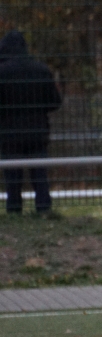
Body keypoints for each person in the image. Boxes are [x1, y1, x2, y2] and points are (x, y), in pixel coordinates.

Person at [0, 31, 62, 215]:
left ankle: (14, 209)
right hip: (37, 132)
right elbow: (54, 102)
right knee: (40, 175)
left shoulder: (1, 72)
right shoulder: (41, 70)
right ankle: (43, 209)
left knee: (12, 176)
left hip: (8, 134)